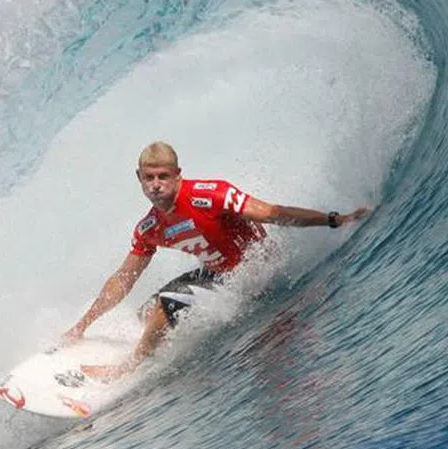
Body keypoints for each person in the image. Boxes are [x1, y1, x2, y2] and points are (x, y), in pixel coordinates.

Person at [65, 141, 369, 379]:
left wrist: (334, 219)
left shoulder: (210, 196)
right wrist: (82, 325)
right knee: (147, 311)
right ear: (139, 178)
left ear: (177, 175)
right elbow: (123, 279)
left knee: (167, 304)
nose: (156, 184)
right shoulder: (149, 227)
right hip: (217, 273)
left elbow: (275, 214)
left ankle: (128, 368)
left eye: (163, 177)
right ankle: (147, 343)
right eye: (149, 178)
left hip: (254, 271)